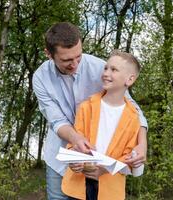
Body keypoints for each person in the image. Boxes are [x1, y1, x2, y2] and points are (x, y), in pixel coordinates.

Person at [32, 22, 147, 199]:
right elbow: (56, 120)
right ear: (49, 54)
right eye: (67, 60)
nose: (75, 63)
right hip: (59, 157)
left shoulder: (101, 68)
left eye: (78, 56)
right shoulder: (40, 78)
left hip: (96, 164)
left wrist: (142, 142)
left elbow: (131, 107)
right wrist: (76, 139)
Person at [61, 50, 146, 200]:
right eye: (106, 68)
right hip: (78, 186)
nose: (106, 73)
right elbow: (74, 141)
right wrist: (75, 161)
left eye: (113, 70)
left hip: (110, 188)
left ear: (130, 79)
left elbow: (128, 156)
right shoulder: (86, 106)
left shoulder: (133, 118)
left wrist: (105, 169)